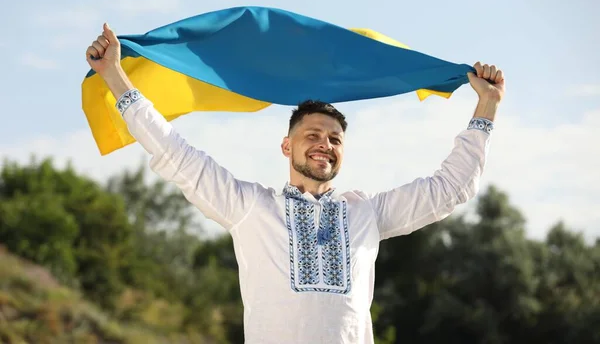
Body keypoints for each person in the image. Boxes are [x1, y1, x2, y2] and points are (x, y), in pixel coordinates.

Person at [86, 23, 505, 344]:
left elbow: (449, 188)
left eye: (335, 139)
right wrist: (115, 76)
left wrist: (486, 106)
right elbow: (176, 154)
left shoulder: (367, 214)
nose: (325, 144)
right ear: (287, 147)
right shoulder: (250, 207)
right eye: (313, 135)